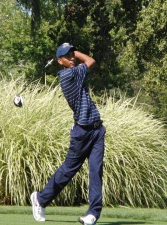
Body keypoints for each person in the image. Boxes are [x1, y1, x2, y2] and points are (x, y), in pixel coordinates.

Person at [31, 43, 106, 225]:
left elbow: (85, 61)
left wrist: (69, 52)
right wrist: (77, 53)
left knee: (96, 171)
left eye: (72, 53)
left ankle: (93, 214)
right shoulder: (68, 75)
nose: (72, 57)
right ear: (59, 61)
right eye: (68, 55)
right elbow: (90, 60)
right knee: (68, 171)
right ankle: (40, 199)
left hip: (97, 130)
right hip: (82, 132)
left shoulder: (71, 69)